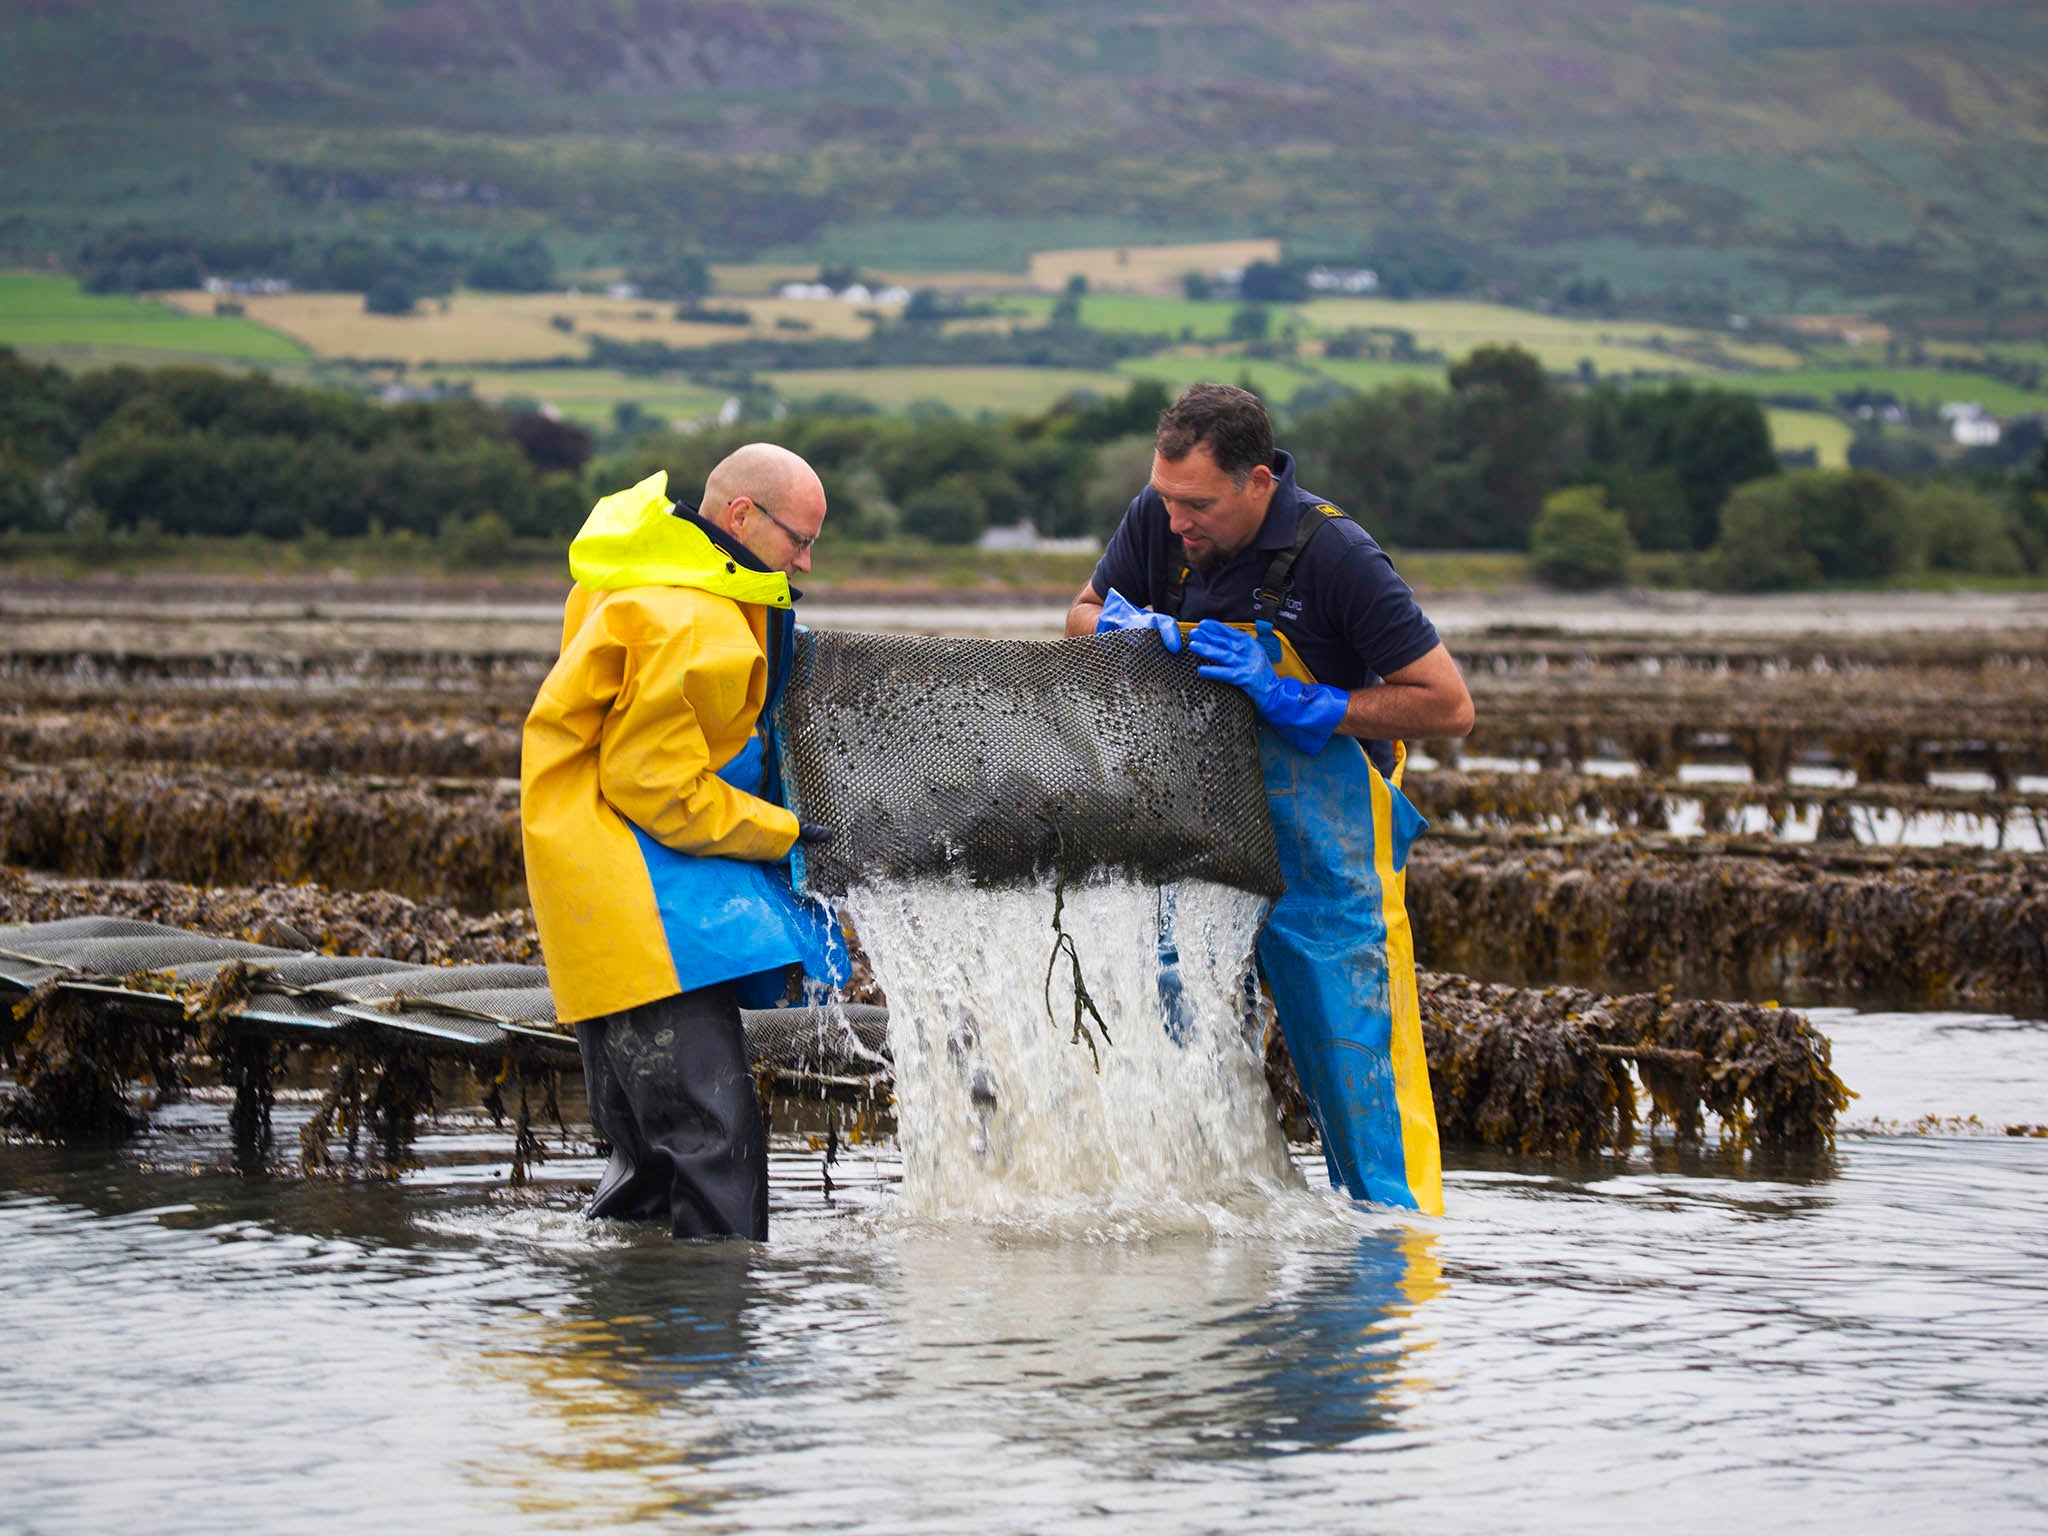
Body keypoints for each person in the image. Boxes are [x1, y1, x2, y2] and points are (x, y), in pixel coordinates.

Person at [1065, 383, 1473, 1215]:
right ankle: (1221, 1234)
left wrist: (1311, 703)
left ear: (1259, 482)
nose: (1178, 521)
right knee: (1181, 1035)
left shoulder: (1338, 556)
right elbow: (1079, 614)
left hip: (1326, 856)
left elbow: (1448, 705)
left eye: (1199, 504)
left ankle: (1395, 1256)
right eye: (1167, 498)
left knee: (1354, 1059)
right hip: (1191, 831)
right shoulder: (1159, 516)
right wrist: (1133, 632)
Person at [521, 443, 844, 1240]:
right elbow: (657, 786)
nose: (806, 560)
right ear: (741, 516)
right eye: (798, 540)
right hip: (650, 906)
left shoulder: (649, 574)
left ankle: (629, 1323)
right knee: (713, 1150)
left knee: (648, 1165)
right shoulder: (692, 617)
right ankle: (709, 1341)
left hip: (604, 892)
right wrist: (790, 833)